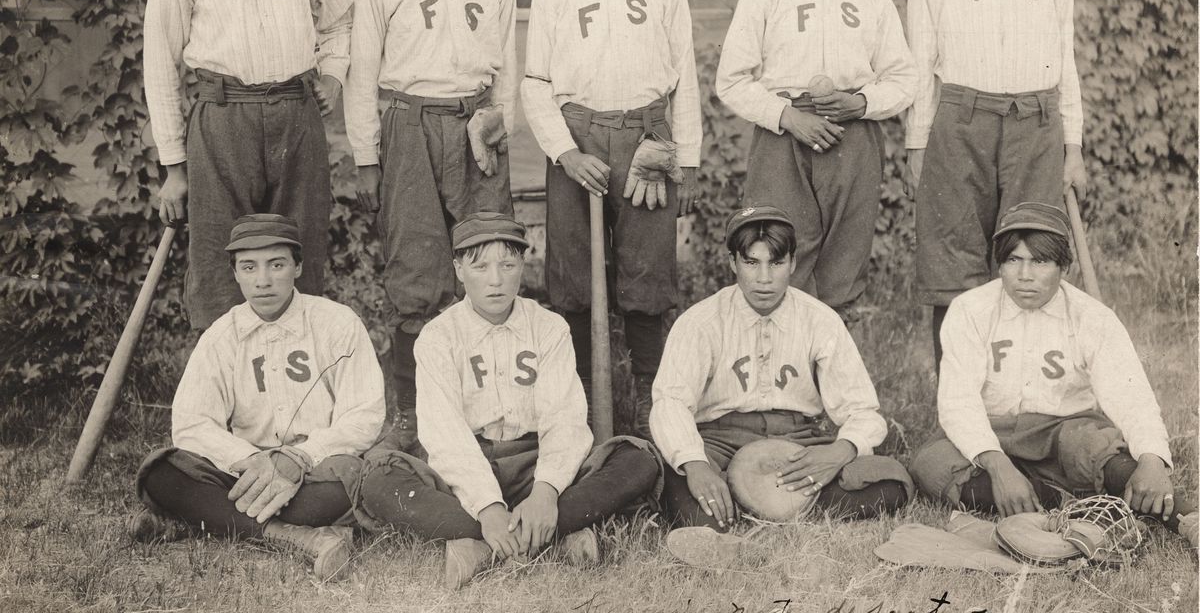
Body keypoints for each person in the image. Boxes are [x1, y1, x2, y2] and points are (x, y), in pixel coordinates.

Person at [356, 212, 660, 589]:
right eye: (479, 266)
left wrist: (546, 493)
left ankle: (484, 543)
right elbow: (446, 435)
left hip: (537, 460)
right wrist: (487, 507)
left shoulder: (549, 328)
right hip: (469, 465)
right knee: (378, 481)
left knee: (637, 460)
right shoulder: (438, 337)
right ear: (458, 269)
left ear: (523, 264)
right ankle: (553, 534)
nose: (496, 280)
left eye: (508, 264)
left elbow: (563, 420)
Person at [143, 0, 352, 330]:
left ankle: (300, 376)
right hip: (223, 117)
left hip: (295, 116)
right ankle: (225, 394)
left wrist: (332, 76)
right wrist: (174, 165)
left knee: (299, 246)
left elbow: (341, 22)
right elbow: (161, 67)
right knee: (221, 253)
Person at [521, 0, 702, 435]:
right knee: (572, 273)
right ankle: (579, 400)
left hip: (647, 138)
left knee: (648, 272)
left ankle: (653, 400)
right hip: (577, 139)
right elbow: (535, 84)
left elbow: (686, 78)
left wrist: (687, 158)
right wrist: (564, 153)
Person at [343, 0, 517, 446]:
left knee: (489, 255)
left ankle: (485, 402)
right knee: (417, 270)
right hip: (409, 126)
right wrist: (368, 157)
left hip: (474, 127)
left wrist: (497, 120)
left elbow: (508, 73)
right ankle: (411, 413)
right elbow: (361, 75)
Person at [908, 203, 1197, 546]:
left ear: (1064, 267)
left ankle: (1189, 520)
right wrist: (998, 466)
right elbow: (958, 405)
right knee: (931, 464)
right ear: (999, 264)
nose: (1025, 274)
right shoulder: (970, 310)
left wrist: (1151, 457)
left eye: (1040, 261)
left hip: (1062, 434)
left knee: (1097, 447)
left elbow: (1130, 396)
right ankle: (1063, 503)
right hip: (991, 434)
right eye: (1013, 260)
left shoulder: (1092, 317)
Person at [905, 0, 1088, 369]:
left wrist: (1072, 146)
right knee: (953, 261)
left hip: (1036, 123)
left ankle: (1022, 387)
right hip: (962, 121)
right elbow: (921, 63)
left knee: (1030, 253)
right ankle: (955, 396)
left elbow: (1066, 58)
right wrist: (918, 142)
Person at [131, 214, 386, 581]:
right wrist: (251, 461)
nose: (262, 280)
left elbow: (364, 415)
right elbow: (192, 422)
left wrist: (298, 457)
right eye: (249, 267)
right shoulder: (221, 336)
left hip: (316, 471)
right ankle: (296, 537)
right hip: (244, 474)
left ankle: (207, 519)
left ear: (297, 267)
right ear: (235, 273)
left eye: (276, 265)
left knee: (355, 479)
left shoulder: (337, 323)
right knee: (161, 471)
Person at [716, 0, 917, 322]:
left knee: (846, 254)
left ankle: (833, 371)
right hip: (784, 132)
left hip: (852, 132)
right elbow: (731, 79)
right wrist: (787, 116)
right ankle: (779, 369)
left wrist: (861, 103)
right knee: (778, 245)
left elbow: (904, 79)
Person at [651, 206, 911, 531]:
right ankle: (769, 505)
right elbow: (670, 402)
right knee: (689, 492)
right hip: (718, 441)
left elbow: (862, 410)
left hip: (796, 443)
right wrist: (695, 463)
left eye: (776, 263)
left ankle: (751, 508)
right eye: (751, 262)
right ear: (732, 262)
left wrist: (838, 452)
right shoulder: (701, 322)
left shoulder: (819, 319)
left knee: (889, 484)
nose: (764, 279)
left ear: (792, 263)